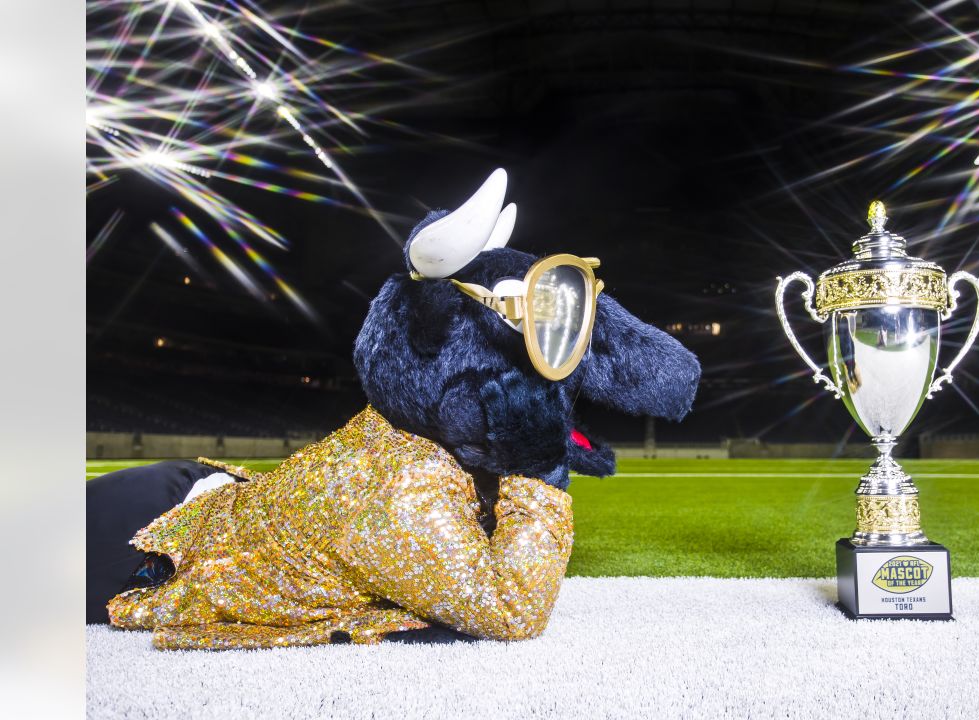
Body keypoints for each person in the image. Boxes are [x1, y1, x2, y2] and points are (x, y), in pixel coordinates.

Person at [87, 169, 701, 649]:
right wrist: (537, 473)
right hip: (138, 549)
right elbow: (513, 610)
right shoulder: (410, 491)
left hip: (196, 495)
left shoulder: (421, 437)